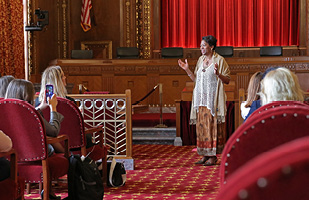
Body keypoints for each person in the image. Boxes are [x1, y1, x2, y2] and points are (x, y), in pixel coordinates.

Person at [5, 79, 63, 199]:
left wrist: (41, 107)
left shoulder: (4, 110)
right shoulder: (31, 113)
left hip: (12, 157)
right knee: (51, 145)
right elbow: (54, 131)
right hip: (37, 155)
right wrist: (53, 108)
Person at [178, 35, 230, 166]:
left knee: (212, 127)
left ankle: (213, 156)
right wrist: (187, 70)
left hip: (213, 100)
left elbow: (227, 80)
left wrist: (218, 74)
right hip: (201, 99)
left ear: (211, 47)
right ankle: (204, 154)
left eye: (204, 45)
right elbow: (196, 79)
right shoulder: (200, 59)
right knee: (202, 127)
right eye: (200, 45)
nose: (201, 48)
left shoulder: (220, 60)